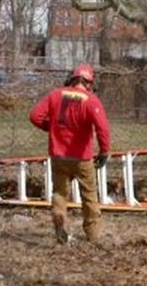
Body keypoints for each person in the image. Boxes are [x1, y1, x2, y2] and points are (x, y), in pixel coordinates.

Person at [29, 64, 111, 244]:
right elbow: (102, 128)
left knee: (59, 194)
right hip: (82, 157)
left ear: (72, 79)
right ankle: (93, 236)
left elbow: (35, 116)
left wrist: (50, 129)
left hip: (58, 156)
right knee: (89, 196)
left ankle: (60, 228)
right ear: (88, 82)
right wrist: (104, 151)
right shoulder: (91, 100)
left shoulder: (55, 95)